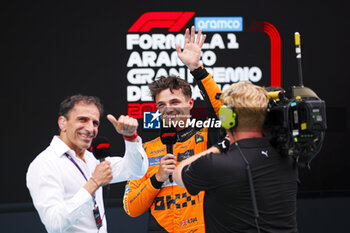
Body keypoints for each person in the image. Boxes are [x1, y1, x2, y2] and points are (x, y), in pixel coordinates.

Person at [122, 26, 223, 233]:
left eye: (175, 101)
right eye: (162, 105)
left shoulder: (208, 136)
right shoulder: (146, 150)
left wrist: (197, 69)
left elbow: (223, 111)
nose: (168, 109)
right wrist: (157, 178)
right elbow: (131, 208)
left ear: (190, 103)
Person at [173, 81, 298, 233]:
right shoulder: (287, 158)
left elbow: (177, 172)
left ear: (227, 118)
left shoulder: (215, 165)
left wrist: (219, 146)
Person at [26, 94, 149, 233]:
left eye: (95, 123)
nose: (90, 129)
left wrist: (131, 137)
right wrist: (94, 183)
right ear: (62, 123)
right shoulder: (45, 163)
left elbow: (135, 170)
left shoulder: (93, 159)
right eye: (82, 120)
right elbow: (55, 224)